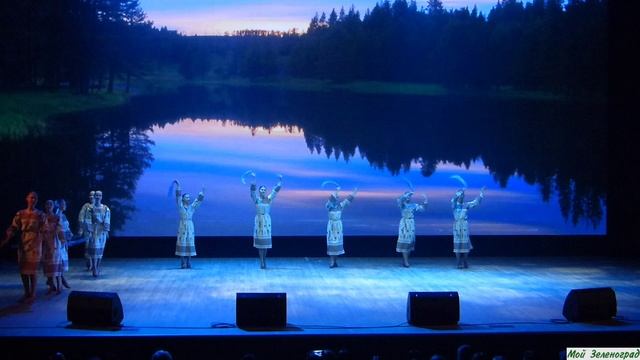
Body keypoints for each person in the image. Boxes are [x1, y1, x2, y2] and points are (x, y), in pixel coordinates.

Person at [1, 192, 45, 303]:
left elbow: (45, 228)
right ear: (27, 199)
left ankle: (33, 293)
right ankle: (27, 292)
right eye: (31, 197)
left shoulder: (40, 214)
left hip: (35, 242)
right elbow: (14, 227)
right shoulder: (20, 213)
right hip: (23, 242)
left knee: (33, 269)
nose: (33, 199)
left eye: (35, 198)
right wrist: (8, 236)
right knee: (24, 269)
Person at [248, 173, 282, 269]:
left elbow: (276, 190)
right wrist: (254, 178)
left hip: (266, 222)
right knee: (260, 244)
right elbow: (252, 191)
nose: (263, 191)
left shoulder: (269, 199)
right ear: (259, 191)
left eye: (264, 190)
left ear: (265, 191)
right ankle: (261, 261)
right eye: (261, 190)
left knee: (265, 244)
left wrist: (280, 180)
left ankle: (265, 259)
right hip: (259, 221)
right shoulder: (256, 200)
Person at [450, 175, 485, 269]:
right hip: (457, 226)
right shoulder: (454, 204)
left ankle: (465, 261)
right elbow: (453, 200)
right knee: (457, 244)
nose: (461, 196)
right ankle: (458, 262)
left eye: (462, 195)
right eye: (460, 195)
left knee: (465, 244)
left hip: (464, 225)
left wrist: (481, 194)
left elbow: (476, 202)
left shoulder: (466, 205)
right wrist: (459, 192)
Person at [324, 182, 357, 268]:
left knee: (337, 244)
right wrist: (336, 191)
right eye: (335, 197)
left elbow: (348, 200)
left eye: (337, 197)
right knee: (331, 243)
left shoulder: (340, 206)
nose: (337, 198)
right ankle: (331, 261)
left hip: (338, 226)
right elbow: (330, 199)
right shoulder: (329, 206)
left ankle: (335, 261)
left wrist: (354, 192)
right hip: (331, 226)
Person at [173, 180, 204, 269]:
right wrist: (178, 185)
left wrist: (202, 192)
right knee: (182, 242)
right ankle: (182, 262)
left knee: (190, 242)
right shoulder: (180, 206)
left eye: (189, 197)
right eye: (186, 197)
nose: (188, 199)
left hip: (190, 226)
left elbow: (197, 201)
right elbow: (178, 197)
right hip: (183, 225)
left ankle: (189, 262)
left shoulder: (191, 207)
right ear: (183, 199)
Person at [396, 191, 428, 267]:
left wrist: (425, 200)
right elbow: (400, 201)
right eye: (407, 196)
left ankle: (405, 260)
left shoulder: (413, 205)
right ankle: (406, 261)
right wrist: (405, 195)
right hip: (404, 223)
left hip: (411, 223)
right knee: (405, 241)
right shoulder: (402, 204)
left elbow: (422, 209)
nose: (408, 197)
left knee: (410, 242)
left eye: (409, 196)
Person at [42, 200, 65, 294]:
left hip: (54, 241)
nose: (49, 206)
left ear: (53, 206)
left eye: (50, 204)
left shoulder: (56, 217)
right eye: (47, 204)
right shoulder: (42, 217)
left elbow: (60, 229)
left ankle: (59, 284)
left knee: (56, 262)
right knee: (47, 263)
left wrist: (62, 240)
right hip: (45, 241)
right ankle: (51, 285)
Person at [86, 190, 110, 277]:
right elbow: (87, 220)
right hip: (93, 231)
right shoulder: (90, 208)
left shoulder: (106, 208)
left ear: (101, 197)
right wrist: (89, 230)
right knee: (94, 249)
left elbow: (107, 220)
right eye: (96, 195)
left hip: (102, 231)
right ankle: (95, 268)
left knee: (100, 250)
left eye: (99, 195)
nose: (97, 197)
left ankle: (97, 266)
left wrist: (106, 230)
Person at [55, 199, 72, 288]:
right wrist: (62, 238)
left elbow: (66, 227)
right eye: (63, 203)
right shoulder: (57, 215)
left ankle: (52, 281)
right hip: (58, 240)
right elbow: (58, 228)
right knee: (58, 260)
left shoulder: (63, 215)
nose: (64, 205)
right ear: (58, 204)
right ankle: (61, 280)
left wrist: (69, 233)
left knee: (61, 260)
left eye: (65, 203)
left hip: (63, 240)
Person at [77, 191, 94, 271]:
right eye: (90, 195)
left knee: (95, 248)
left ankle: (94, 265)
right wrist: (81, 228)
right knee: (87, 247)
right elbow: (81, 216)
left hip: (96, 231)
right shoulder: (86, 206)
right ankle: (89, 264)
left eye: (93, 195)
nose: (91, 197)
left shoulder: (101, 207)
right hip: (87, 230)